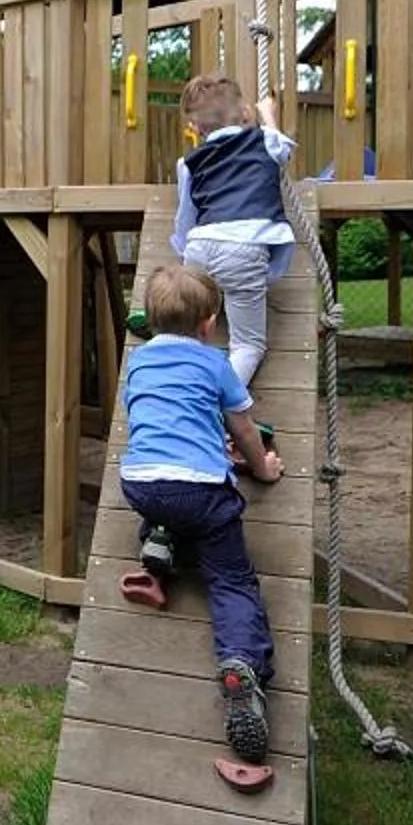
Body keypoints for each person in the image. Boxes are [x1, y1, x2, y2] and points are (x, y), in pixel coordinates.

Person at [115, 262, 287, 765]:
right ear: (210, 324)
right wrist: (264, 468)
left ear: (150, 319)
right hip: (202, 493)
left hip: (140, 483)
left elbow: (155, 416)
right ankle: (242, 666)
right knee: (232, 581)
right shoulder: (216, 365)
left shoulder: (139, 363)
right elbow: (247, 430)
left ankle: (159, 539)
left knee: (169, 498)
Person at [172, 74, 298, 389]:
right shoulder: (264, 141)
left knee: (190, 334)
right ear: (245, 114)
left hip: (199, 248)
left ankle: (180, 379)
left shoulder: (188, 163)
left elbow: (186, 217)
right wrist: (267, 112)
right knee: (248, 345)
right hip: (243, 246)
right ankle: (214, 406)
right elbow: (284, 148)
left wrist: (183, 253)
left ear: (197, 129)